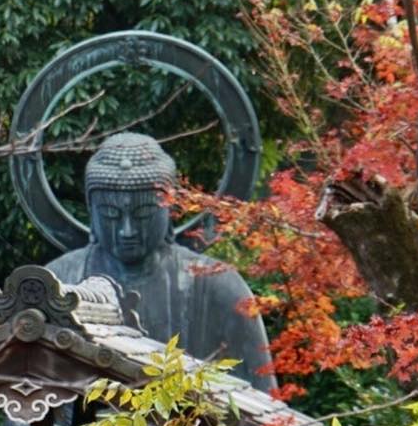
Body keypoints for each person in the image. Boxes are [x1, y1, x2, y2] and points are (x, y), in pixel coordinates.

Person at [46, 131, 276, 390]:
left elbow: (265, 398)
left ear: (170, 208)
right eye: (111, 215)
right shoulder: (56, 281)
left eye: (143, 215)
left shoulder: (217, 284)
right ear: (91, 209)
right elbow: (23, 395)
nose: (127, 230)